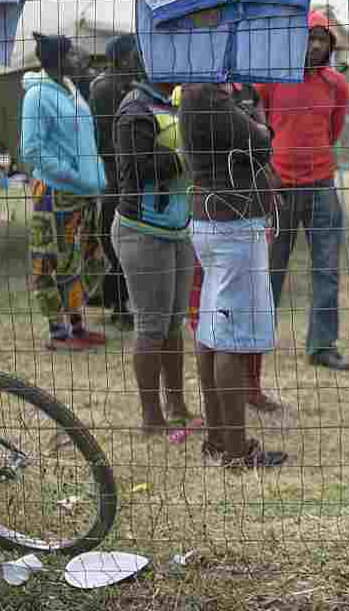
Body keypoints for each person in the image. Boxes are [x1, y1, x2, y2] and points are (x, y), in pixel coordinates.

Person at [180, 82, 288, 469]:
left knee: (212, 330)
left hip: (217, 219)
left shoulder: (200, 94)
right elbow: (260, 141)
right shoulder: (208, 95)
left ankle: (219, 438)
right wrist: (259, 126)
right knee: (230, 336)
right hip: (232, 223)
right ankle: (236, 449)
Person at [257, 11, 349, 371]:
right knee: (271, 267)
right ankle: (257, 339)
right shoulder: (270, 80)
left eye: (322, 39)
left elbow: (332, 130)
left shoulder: (336, 85)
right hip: (279, 187)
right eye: (309, 37)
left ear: (331, 46)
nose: (315, 45)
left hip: (321, 186)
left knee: (326, 268)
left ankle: (322, 345)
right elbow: (264, 124)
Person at [111, 76, 197, 438]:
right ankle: (152, 417)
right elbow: (136, 170)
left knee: (173, 324)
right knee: (151, 327)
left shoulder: (174, 102)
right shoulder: (135, 109)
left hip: (177, 229)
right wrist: (185, 157)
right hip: (143, 231)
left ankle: (177, 406)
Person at [20, 32, 109, 351]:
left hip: (83, 192)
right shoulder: (37, 95)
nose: (79, 58)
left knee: (81, 259)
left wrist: (91, 176)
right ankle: (58, 332)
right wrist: (72, 174)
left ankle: (77, 325)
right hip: (56, 192)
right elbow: (31, 149)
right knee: (51, 261)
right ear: (58, 60)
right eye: (72, 54)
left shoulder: (71, 88)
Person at [89, 35, 143, 329]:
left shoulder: (125, 85)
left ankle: (115, 299)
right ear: (122, 58)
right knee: (116, 239)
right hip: (115, 174)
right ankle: (119, 304)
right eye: (135, 53)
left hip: (123, 172)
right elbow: (109, 139)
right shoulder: (106, 88)